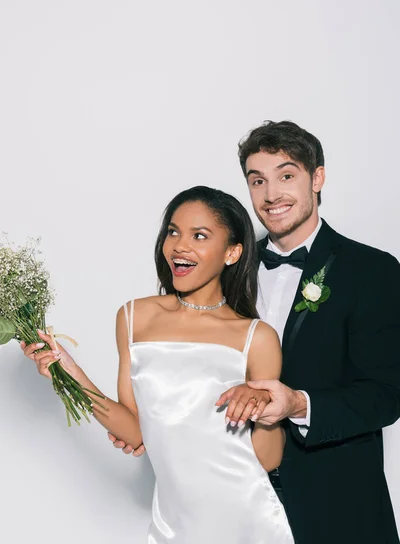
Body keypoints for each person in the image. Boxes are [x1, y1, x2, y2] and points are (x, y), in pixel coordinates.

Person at [110, 121, 400, 544]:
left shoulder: (371, 271)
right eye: (257, 180)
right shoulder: (226, 262)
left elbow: (387, 394)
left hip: (334, 503)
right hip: (225, 510)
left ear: (317, 178)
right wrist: (155, 425)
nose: (271, 195)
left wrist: (298, 404)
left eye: (286, 176)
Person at [22, 185, 294, 544]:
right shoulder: (134, 317)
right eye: (173, 231)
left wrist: (262, 407)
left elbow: (269, 458)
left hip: (248, 522)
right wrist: (67, 367)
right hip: (173, 526)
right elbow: (135, 431)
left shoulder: (256, 337)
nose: (180, 245)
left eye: (199, 235)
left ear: (232, 253)